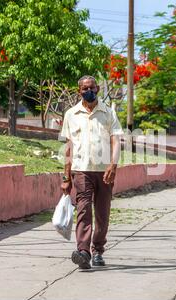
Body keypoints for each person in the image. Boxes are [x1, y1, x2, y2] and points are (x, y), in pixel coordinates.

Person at [60, 75, 124, 270]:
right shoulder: (71, 114)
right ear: (79, 91)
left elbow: (115, 140)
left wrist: (113, 165)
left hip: (104, 172)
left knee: (102, 214)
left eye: (92, 87)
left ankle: (97, 251)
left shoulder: (108, 113)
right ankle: (83, 252)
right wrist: (66, 177)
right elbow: (69, 146)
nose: (89, 91)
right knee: (84, 211)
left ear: (98, 89)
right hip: (81, 171)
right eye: (85, 88)